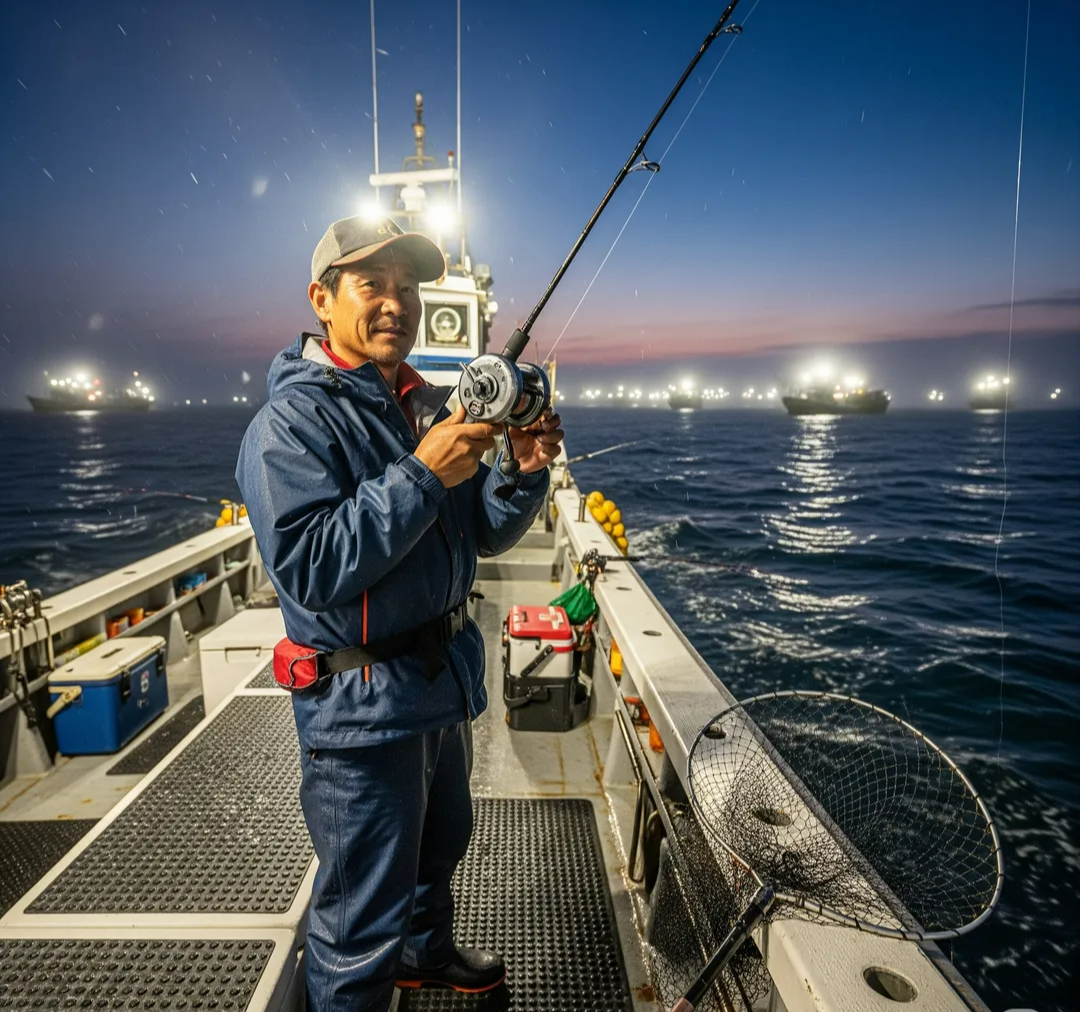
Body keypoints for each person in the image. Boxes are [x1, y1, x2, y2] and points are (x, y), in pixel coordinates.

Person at [235, 214, 563, 1012]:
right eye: (371, 284)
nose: (396, 303)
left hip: (436, 685)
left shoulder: (416, 400)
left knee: (438, 846)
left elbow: (475, 531)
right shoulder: (289, 425)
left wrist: (518, 473)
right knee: (357, 924)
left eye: (409, 288)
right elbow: (312, 565)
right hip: (360, 710)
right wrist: (423, 472)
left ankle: (424, 953)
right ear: (322, 299)